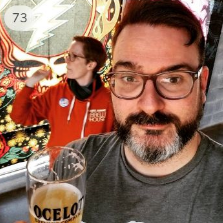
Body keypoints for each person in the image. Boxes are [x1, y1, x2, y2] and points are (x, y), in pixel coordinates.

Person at [15, 0, 223, 223]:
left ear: (202, 85)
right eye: (129, 78)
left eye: (172, 79)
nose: (150, 105)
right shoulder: (75, 157)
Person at [10, 36, 114, 147]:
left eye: (74, 56)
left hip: (94, 164)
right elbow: (19, 117)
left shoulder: (109, 100)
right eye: (68, 55)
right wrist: (30, 83)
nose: (67, 60)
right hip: (59, 163)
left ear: (90, 65)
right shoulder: (56, 93)